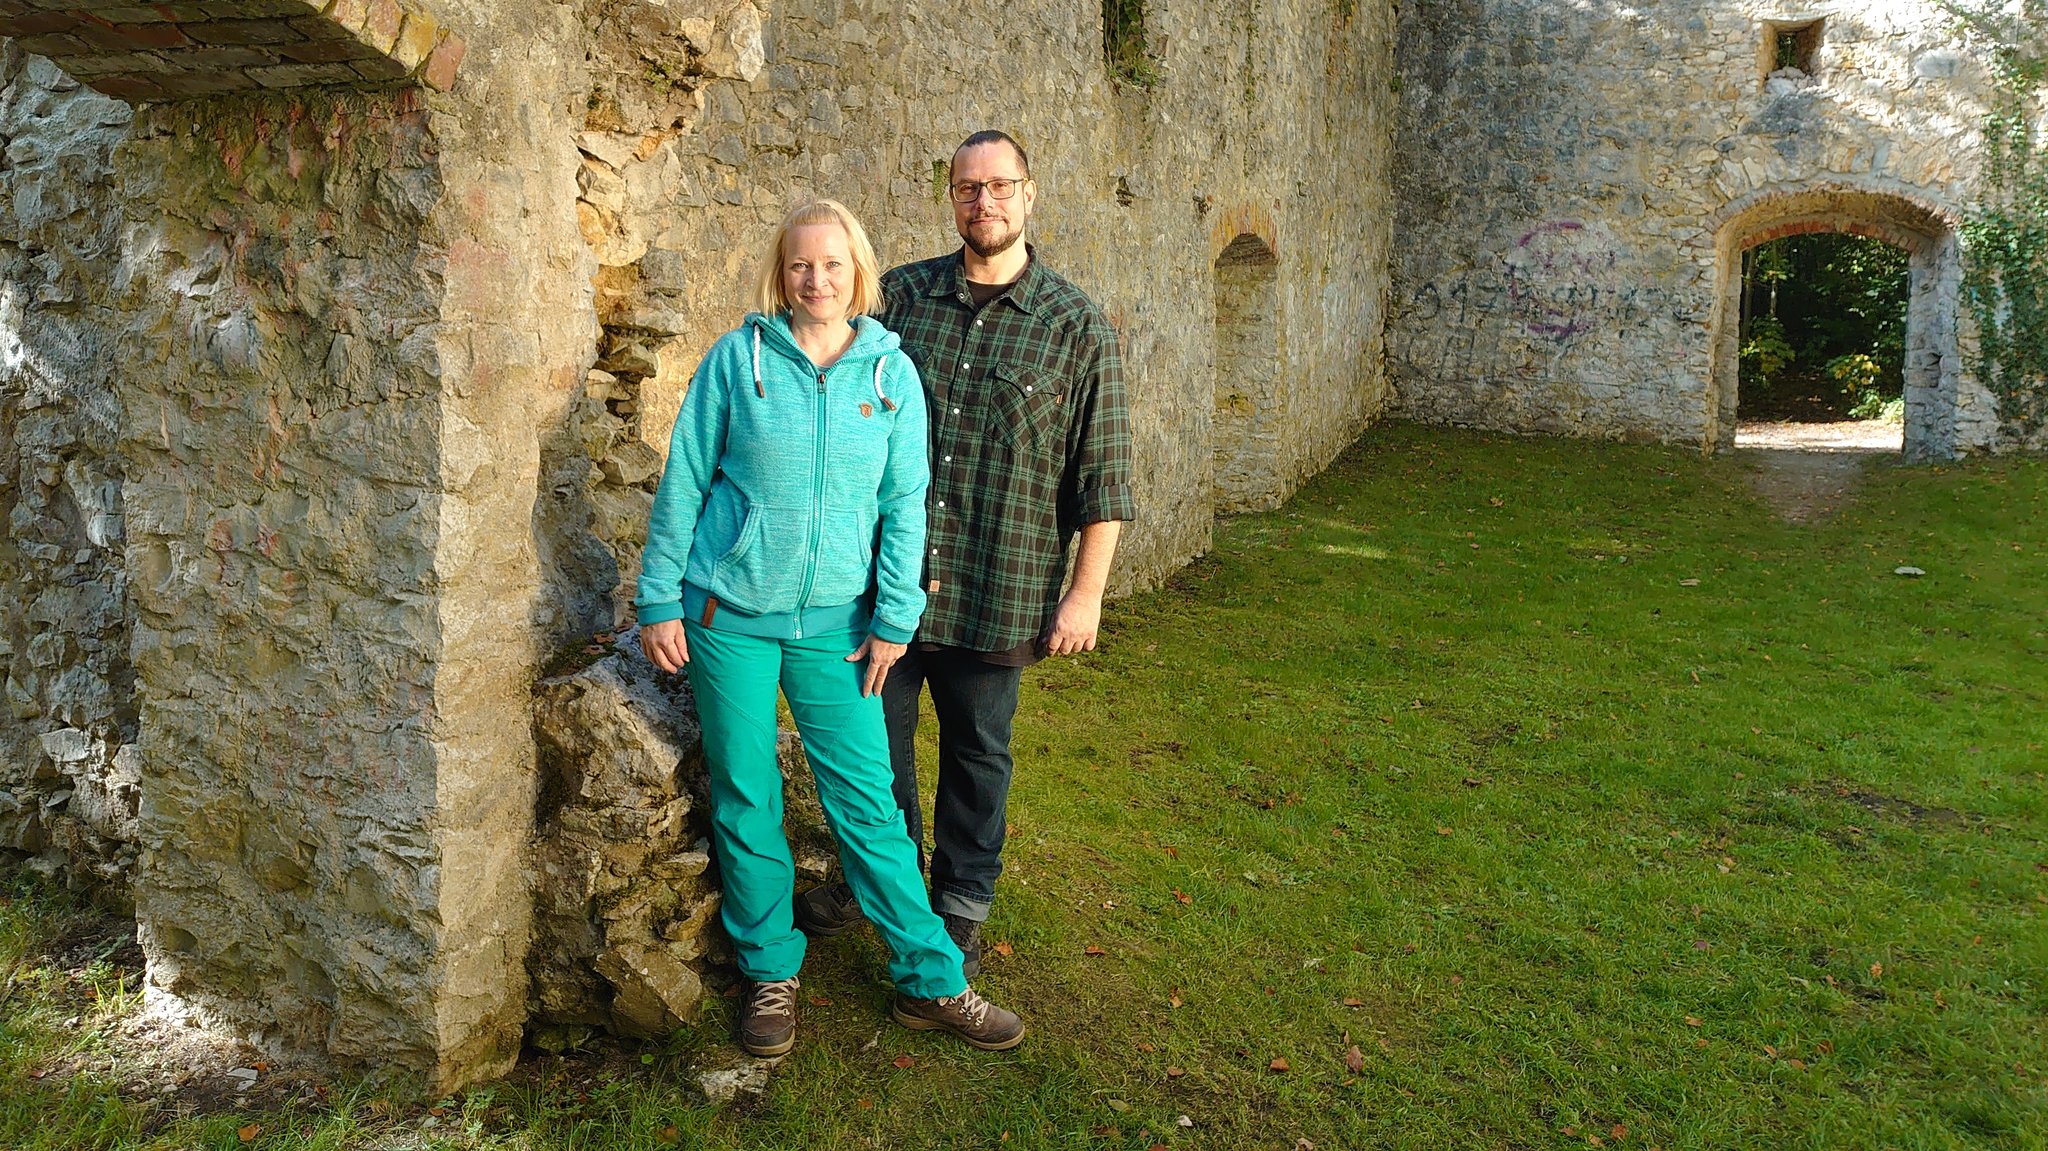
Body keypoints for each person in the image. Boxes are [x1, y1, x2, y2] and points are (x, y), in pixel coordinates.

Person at [636, 199, 1024, 1056]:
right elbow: (686, 480)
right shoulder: (738, 362)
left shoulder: (890, 374)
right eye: (801, 265)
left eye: (834, 265)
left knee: (870, 805)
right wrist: (658, 596)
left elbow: (903, 506)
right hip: (728, 616)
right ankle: (772, 970)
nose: (817, 280)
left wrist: (895, 617)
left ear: (860, 273)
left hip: (838, 629)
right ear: (782, 273)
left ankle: (932, 980)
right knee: (746, 795)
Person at [793, 132, 1136, 975]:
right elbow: (820, 367)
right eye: (967, 188)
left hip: (999, 582)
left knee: (979, 751)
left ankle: (961, 901)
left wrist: (1085, 594)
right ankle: (878, 873)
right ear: (950, 197)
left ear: (1029, 194)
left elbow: (1105, 475)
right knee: (875, 743)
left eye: (1000, 186)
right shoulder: (899, 300)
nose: (984, 203)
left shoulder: (1074, 325)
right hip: (885, 583)